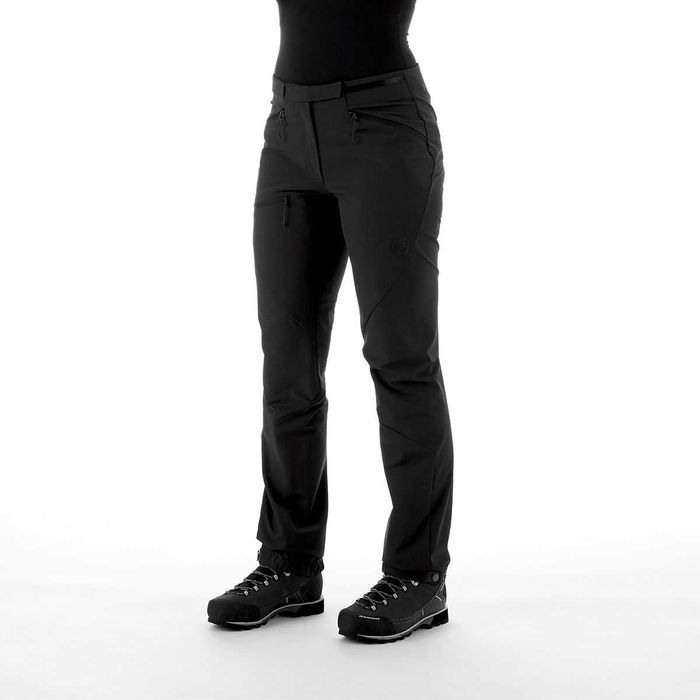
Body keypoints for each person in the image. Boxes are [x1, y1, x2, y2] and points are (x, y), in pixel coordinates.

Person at [207, 0, 454, 643]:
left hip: (385, 125)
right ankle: (289, 564)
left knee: (400, 357)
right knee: (287, 362)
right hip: (287, 128)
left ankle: (418, 575)